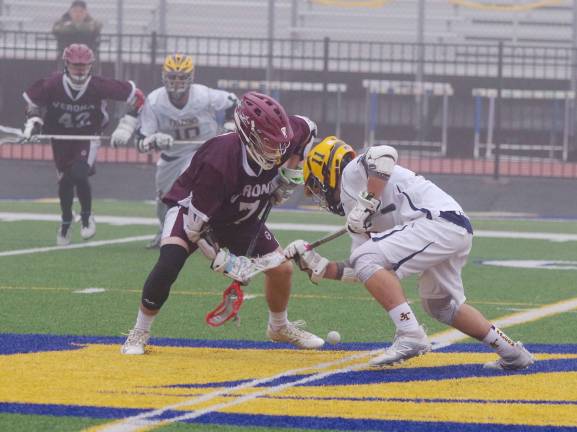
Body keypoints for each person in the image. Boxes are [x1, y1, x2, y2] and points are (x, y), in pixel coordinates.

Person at [284, 136, 535, 370]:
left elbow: (385, 154)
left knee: (368, 259)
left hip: (438, 221)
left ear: (327, 169)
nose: (318, 195)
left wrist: (367, 202)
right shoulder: (354, 205)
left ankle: (410, 334)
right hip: (450, 228)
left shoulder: (352, 172)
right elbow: (363, 270)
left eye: (316, 185)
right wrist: (318, 265)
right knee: (440, 307)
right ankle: (512, 353)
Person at [121, 91, 323, 355]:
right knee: (170, 260)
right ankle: (139, 332)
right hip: (194, 212)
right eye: (269, 143)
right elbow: (196, 230)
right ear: (248, 136)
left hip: (241, 216)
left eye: (280, 144)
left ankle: (279, 327)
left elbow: (308, 128)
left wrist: (290, 172)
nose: (277, 151)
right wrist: (225, 262)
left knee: (282, 269)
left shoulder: (287, 134)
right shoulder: (218, 160)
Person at [110, 53, 239, 249]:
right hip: (173, 155)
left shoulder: (203, 95)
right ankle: (164, 230)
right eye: (172, 77)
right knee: (164, 196)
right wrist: (154, 140)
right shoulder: (155, 101)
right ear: (165, 77)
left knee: (194, 189)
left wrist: (230, 123)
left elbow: (233, 101)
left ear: (190, 77)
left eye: (181, 77)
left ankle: (209, 230)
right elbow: (141, 141)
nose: (177, 82)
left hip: (202, 149)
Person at [22, 43, 144, 246]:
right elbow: (32, 103)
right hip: (60, 139)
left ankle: (86, 215)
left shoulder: (98, 85)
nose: (79, 69)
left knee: (78, 173)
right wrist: (33, 122)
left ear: (90, 66)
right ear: (66, 64)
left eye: (83, 65)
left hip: (87, 137)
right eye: (75, 65)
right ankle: (66, 220)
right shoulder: (53, 83)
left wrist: (127, 125)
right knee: (65, 183)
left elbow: (138, 97)